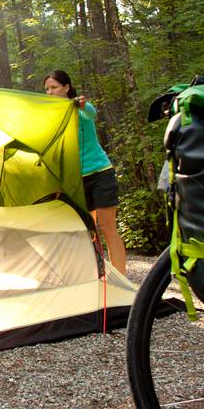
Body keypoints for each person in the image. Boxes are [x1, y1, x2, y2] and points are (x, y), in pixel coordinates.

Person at [43, 69, 128, 274]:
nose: (50, 92)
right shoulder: (50, 115)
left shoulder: (80, 107)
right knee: (85, 232)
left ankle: (123, 281)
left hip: (100, 173)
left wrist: (80, 103)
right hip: (75, 179)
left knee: (108, 229)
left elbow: (90, 112)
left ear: (66, 87)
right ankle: (93, 277)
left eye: (54, 87)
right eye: (46, 89)